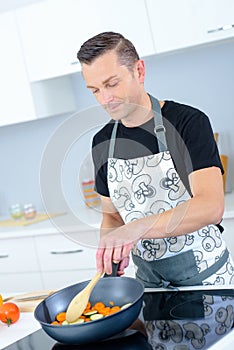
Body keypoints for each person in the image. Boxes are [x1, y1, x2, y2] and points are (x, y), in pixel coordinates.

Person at [77, 31, 234, 287]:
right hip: (149, 287)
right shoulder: (102, 142)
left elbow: (210, 206)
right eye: (94, 90)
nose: (104, 99)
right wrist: (110, 247)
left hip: (207, 283)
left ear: (139, 71)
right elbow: (113, 216)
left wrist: (135, 228)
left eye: (112, 84)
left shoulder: (188, 123)